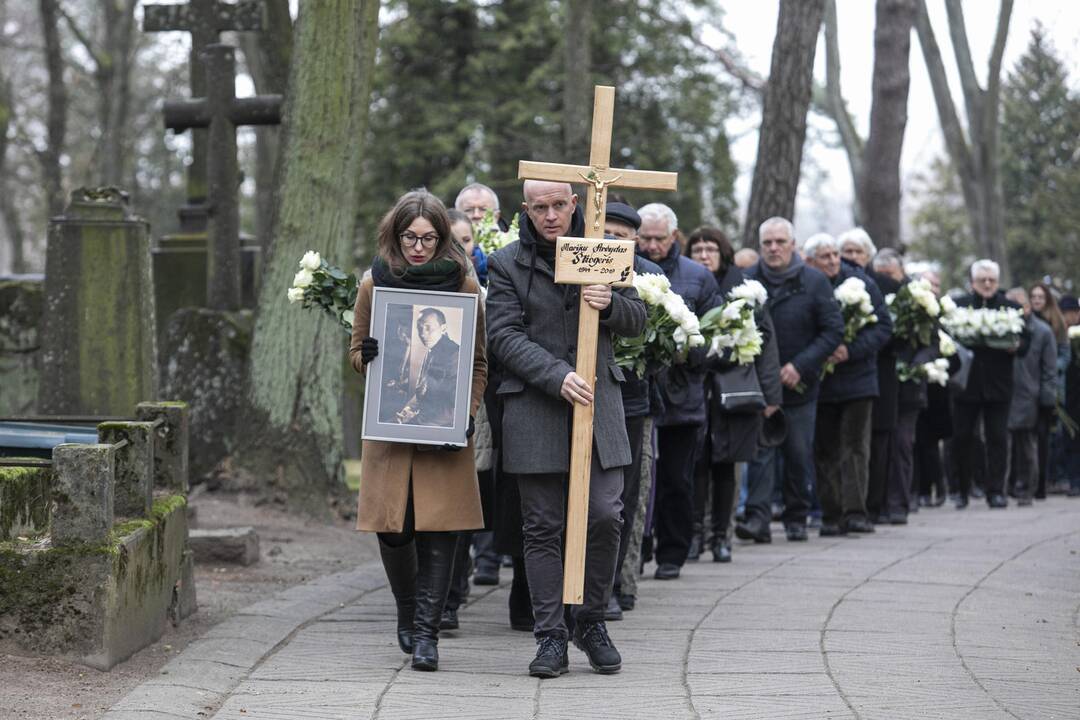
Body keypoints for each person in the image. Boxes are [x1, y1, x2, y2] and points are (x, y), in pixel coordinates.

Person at [486, 180, 646, 677]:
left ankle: (591, 621)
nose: (551, 215)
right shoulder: (507, 261)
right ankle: (550, 635)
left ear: (575, 203)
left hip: (600, 406)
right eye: (540, 208)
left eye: (559, 205)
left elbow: (637, 318)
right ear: (526, 210)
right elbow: (502, 335)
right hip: (536, 406)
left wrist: (610, 303)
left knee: (604, 514)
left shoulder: (603, 251)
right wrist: (556, 375)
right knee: (542, 526)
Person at [349, 189, 486, 672]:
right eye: (410, 236)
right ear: (396, 233)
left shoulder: (465, 288)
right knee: (394, 530)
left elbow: (479, 363)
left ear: (443, 238)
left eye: (429, 238)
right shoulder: (374, 284)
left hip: (444, 431)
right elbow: (356, 352)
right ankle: (407, 609)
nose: (419, 247)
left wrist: (464, 412)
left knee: (441, 530)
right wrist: (365, 357)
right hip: (390, 433)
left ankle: (427, 634)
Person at [737, 218, 843, 543]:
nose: (773, 248)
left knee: (797, 453)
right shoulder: (747, 280)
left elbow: (832, 330)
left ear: (793, 245)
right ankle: (758, 518)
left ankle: (797, 516)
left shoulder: (814, 282)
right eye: (767, 242)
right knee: (760, 453)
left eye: (780, 242)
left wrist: (801, 365)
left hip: (800, 384)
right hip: (759, 382)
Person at [635, 203, 720, 579]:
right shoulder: (628, 268)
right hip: (641, 392)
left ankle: (672, 553)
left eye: (659, 238)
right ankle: (636, 551)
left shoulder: (698, 277)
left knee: (675, 480)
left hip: (683, 398)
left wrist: (687, 349)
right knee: (637, 482)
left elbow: (716, 339)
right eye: (646, 238)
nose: (652, 245)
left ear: (674, 237)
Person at [688, 227, 781, 561]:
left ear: (723, 252)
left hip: (734, 388)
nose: (703, 255)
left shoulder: (744, 289)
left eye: (710, 248)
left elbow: (766, 345)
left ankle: (720, 537)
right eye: (697, 249)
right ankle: (695, 535)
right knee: (696, 463)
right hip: (695, 386)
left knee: (726, 465)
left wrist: (772, 397)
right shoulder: (689, 283)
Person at [803, 233, 892, 536]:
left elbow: (883, 326)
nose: (832, 261)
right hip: (821, 381)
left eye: (835, 255)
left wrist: (849, 350)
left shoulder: (862, 283)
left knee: (855, 448)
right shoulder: (808, 285)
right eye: (825, 256)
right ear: (810, 261)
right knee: (825, 449)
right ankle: (831, 513)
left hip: (858, 379)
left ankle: (855, 512)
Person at [602, 200, 662, 619]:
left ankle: (608, 585)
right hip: (582, 391)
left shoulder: (651, 275)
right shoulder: (577, 259)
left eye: (618, 238)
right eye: (603, 233)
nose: (609, 242)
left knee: (620, 497)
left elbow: (660, 341)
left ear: (634, 241)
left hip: (631, 399)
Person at [953, 259, 1025, 509]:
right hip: (967, 385)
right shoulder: (959, 306)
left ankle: (996, 490)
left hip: (998, 385)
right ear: (972, 282)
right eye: (982, 280)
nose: (986, 284)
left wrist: (1016, 346)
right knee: (962, 438)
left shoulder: (1010, 308)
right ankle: (961, 490)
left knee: (997, 438)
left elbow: (1024, 341)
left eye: (991, 280)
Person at [1004, 287, 1057, 505]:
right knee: (1005, 444)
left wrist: (1047, 398)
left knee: (1027, 445)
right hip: (1005, 393)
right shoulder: (1003, 329)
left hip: (1029, 395)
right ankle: (1005, 488)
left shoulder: (1042, 331)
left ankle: (1027, 488)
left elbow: (1049, 368)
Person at [1030, 282, 1069, 497]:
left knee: (1051, 435)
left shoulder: (1056, 323)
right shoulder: (1025, 322)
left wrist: (1051, 366)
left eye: (1040, 297)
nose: (1036, 300)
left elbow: (1064, 354)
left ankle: (1050, 478)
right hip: (1029, 386)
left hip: (1052, 385)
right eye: (1033, 296)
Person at [448, 208, 488, 286]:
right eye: (453, 242)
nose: (461, 248)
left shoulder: (491, 268)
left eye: (466, 240)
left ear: (474, 238)